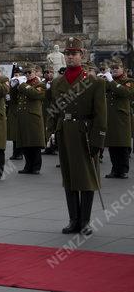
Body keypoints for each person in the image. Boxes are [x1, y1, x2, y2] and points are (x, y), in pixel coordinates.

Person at [48, 38, 107, 235]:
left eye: (74, 53)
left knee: (87, 178)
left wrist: (98, 139)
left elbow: (101, 114)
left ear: (82, 55)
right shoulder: (57, 82)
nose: (70, 57)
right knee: (70, 178)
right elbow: (54, 110)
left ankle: (85, 221)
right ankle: (73, 219)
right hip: (65, 131)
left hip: (85, 132)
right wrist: (51, 132)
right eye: (68, 53)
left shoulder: (94, 82)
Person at [103, 58, 133, 179]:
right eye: (113, 68)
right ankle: (115, 169)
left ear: (123, 69)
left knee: (122, 144)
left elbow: (125, 93)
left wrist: (111, 81)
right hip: (110, 117)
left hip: (121, 118)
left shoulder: (128, 81)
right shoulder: (109, 81)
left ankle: (123, 170)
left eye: (117, 68)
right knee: (112, 145)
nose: (114, 70)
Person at [15, 66, 47, 175]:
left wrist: (24, 86)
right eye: (26, 72)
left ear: (35, 72)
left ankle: (36, 166)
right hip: (23, 116)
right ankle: (28, 165)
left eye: (30, 72)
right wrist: (15, 86)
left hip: (33, 117)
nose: (27, 74)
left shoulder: (40, 84)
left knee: (35, 143)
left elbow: (36, 95)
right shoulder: (23, 85)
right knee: (25, 143)